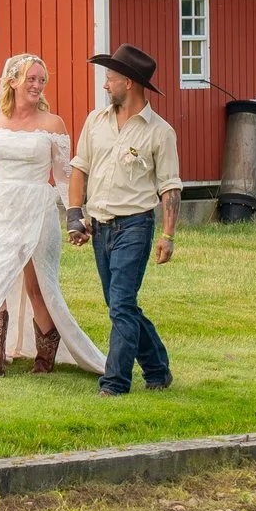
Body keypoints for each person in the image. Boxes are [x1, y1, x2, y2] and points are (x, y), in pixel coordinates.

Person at [0, 54, 108, 378]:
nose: (37, 86)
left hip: (36, 208)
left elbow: (66, 175)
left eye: (41, 80)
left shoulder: (52, 125)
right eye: (31, 79)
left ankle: (45, 360)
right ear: (12, 81)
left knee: (38, 286)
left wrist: (75, 216)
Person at [67, 44, 180, 397]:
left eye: (110, 78)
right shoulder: (94, 122)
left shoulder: (159, 132)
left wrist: (168, 235)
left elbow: (170, 187)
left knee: (120, 304)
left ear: (128, 83)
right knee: (122, 305)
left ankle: (115, 383)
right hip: (100, 228)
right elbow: (79, 168)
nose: (105, 85)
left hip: (135, 226)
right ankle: (158, 369)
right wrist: (75, 216)